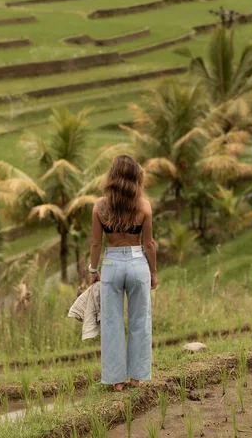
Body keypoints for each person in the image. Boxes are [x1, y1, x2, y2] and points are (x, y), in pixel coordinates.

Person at [89, 155, 158, 392]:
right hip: (138, 263)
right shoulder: (144, 205)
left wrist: (93, 270)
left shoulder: (99, 206)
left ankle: (116, 381)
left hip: (111, 264)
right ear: (136, 178)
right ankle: (137, 378)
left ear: (112, 178)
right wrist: (154, 272)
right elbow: (149, 244)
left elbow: (96, 244)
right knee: (140, 320)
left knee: (112, 322)